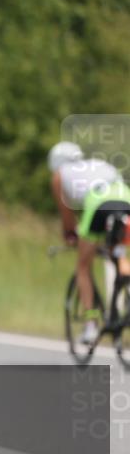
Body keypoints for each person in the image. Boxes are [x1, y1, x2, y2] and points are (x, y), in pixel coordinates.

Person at [47, 141, 130, 343]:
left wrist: (70, 235)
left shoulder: (59, 175)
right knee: (119, 255)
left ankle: (91, 325)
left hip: (98, 205)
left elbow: (67, 215)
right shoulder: (100, 164)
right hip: (126, 200)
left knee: (83, 266)